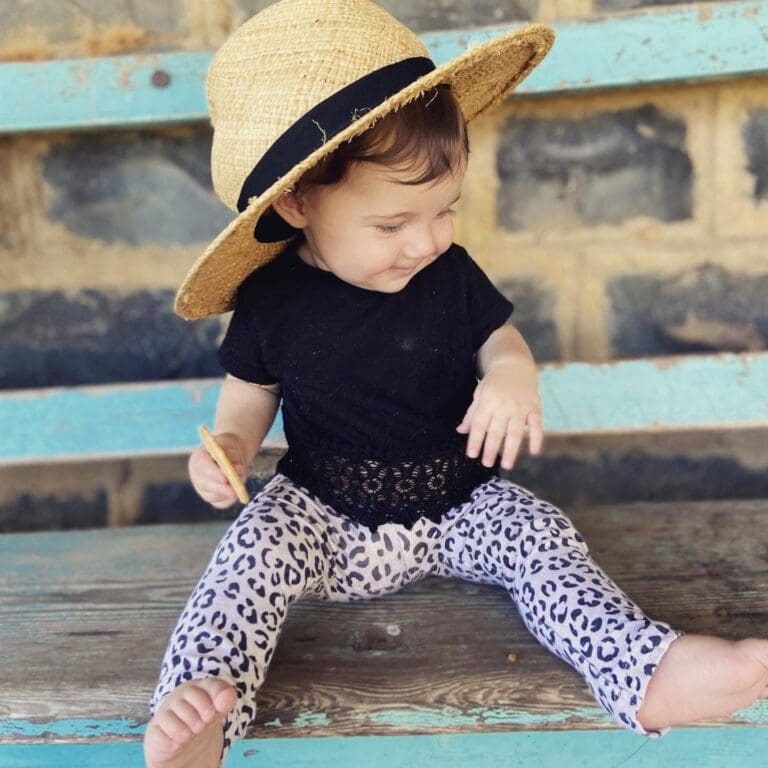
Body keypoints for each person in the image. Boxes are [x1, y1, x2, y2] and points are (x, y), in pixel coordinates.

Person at [143, 1, 768, 766]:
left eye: (445, 210)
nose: (429, 239)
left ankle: (642, 670)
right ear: (297, 203)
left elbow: (500, 341)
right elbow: (248, 398)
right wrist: (231, 447)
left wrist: (511, 377)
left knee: (544, 541)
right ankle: (202, 706)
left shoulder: (450, 273)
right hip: (325, 518)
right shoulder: (272, 303)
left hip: (461, 505)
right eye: (393, 223)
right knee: (245, 562)